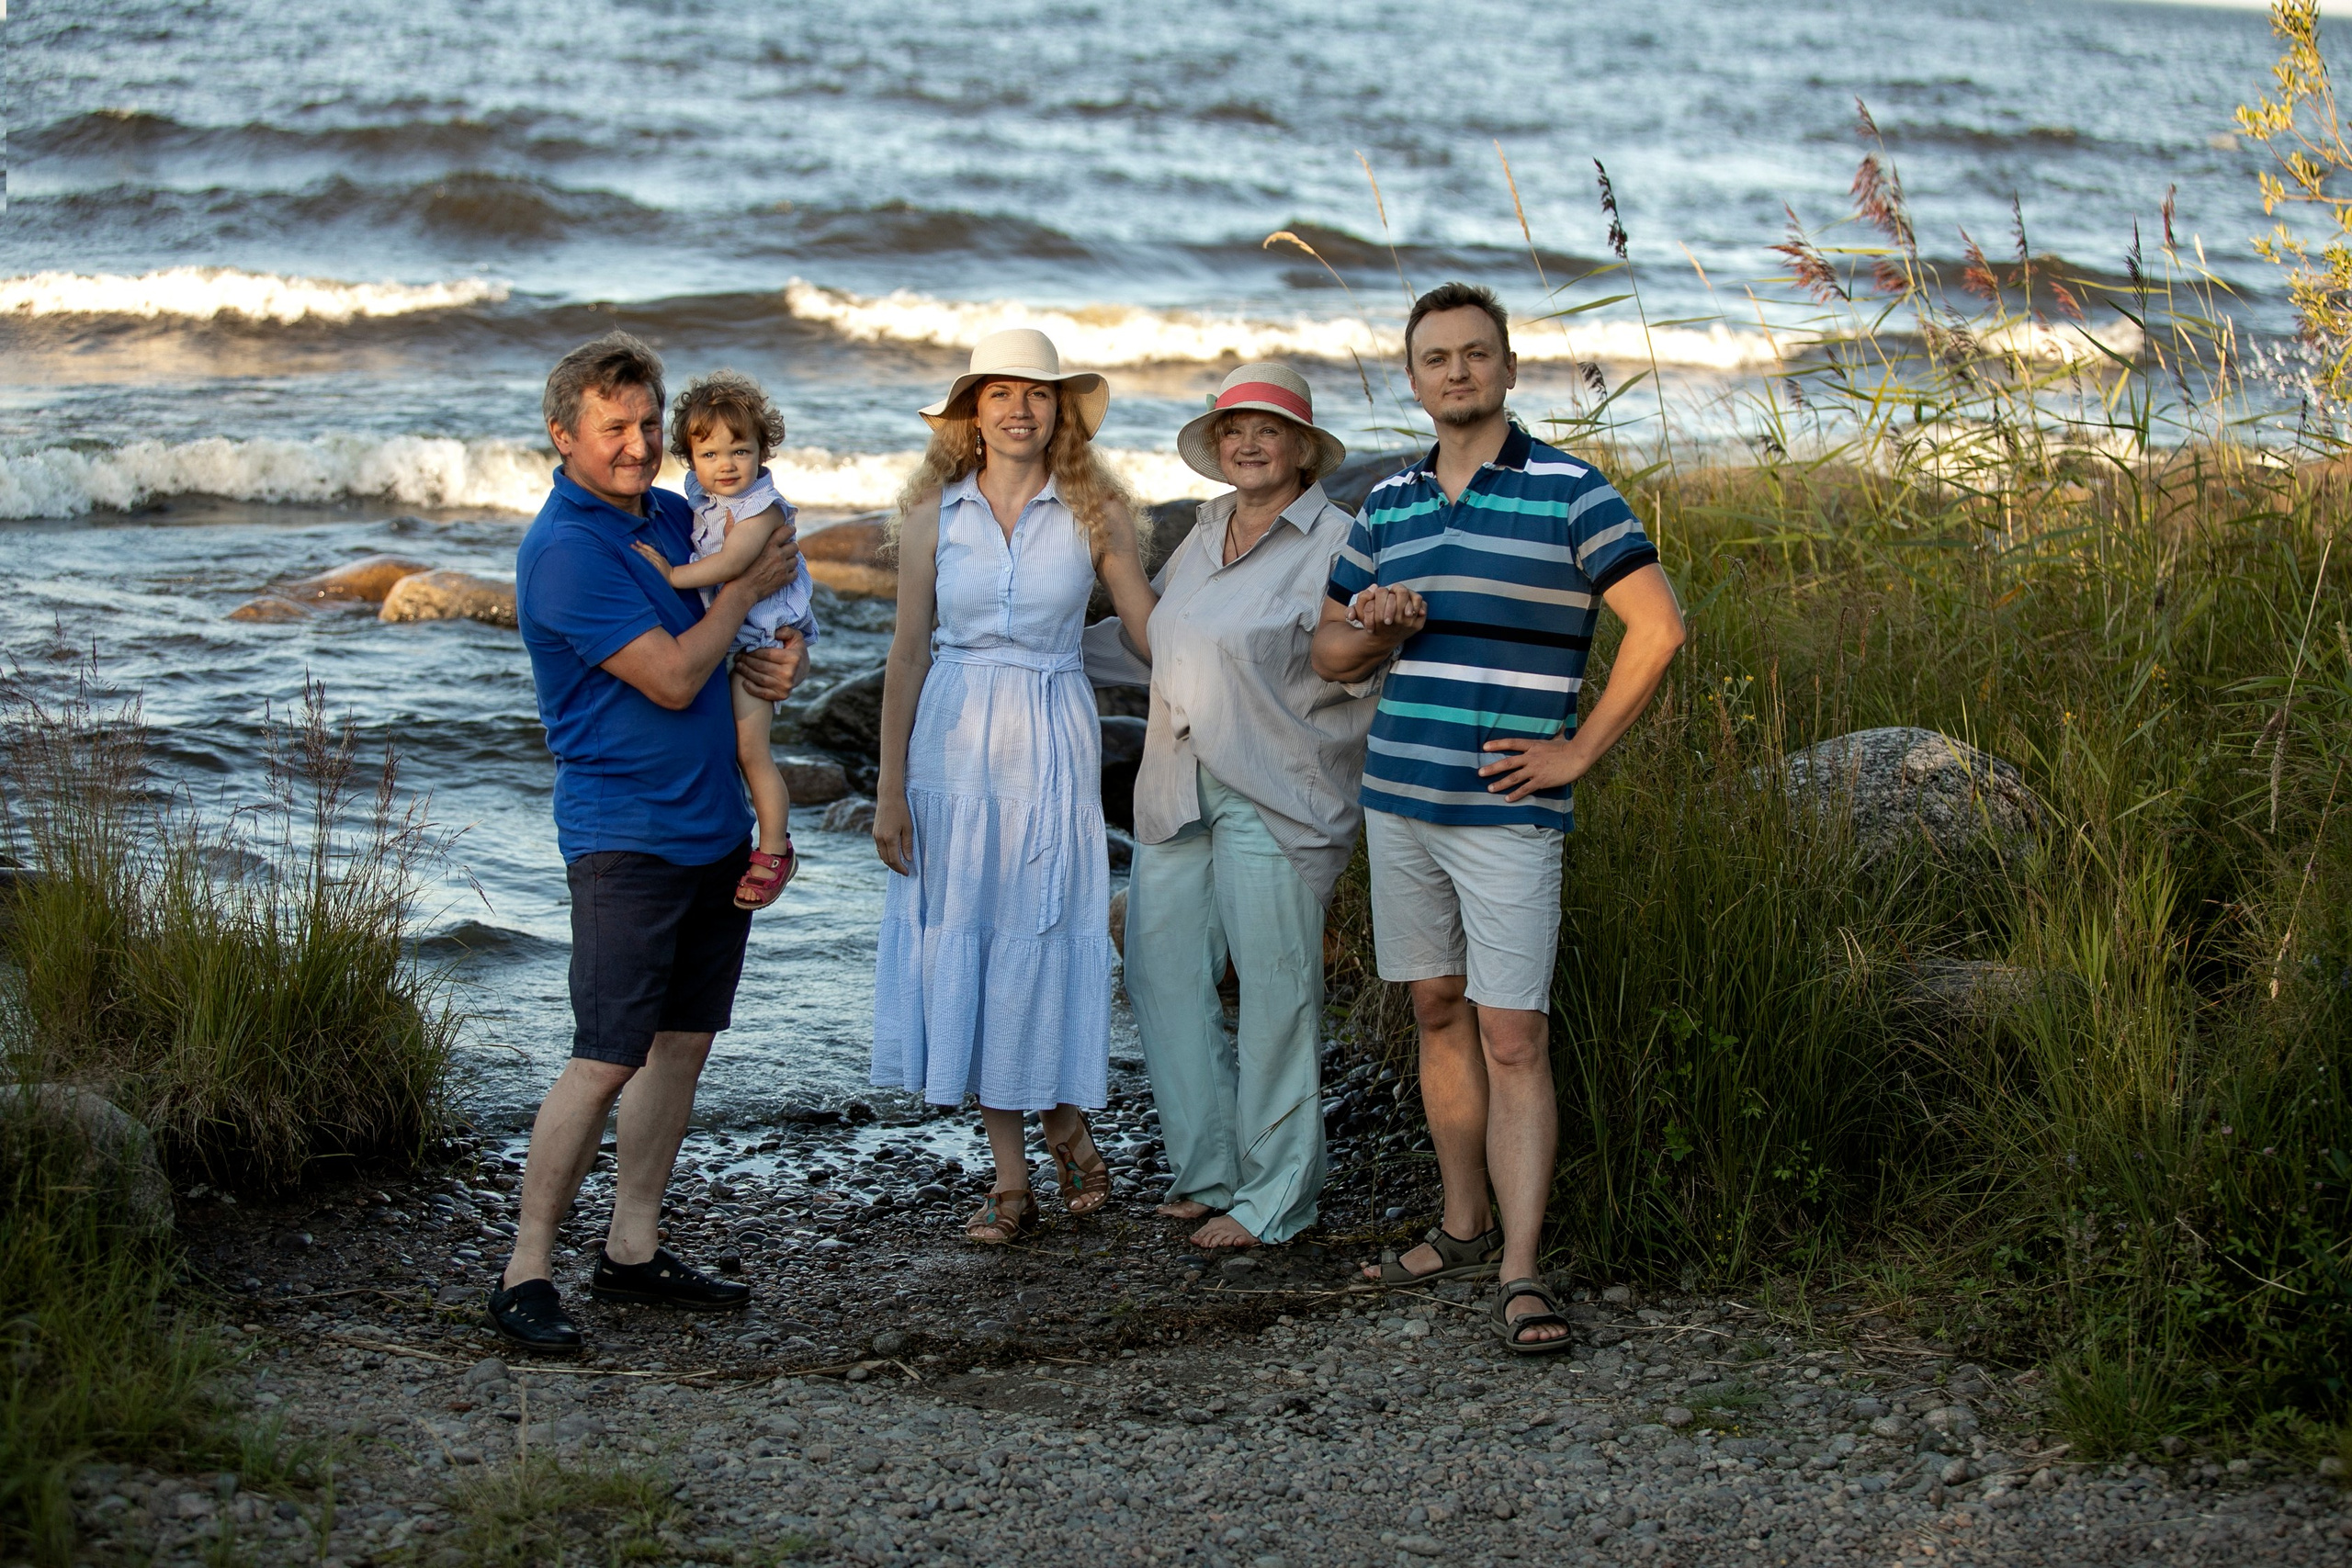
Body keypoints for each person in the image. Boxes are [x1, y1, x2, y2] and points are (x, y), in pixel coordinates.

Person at [1311, 283, 1686, 1354]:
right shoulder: (1387, 504)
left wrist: (1575, 751)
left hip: (1508, 810)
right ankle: (1463, 1223)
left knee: (1512, 1033)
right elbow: (1326, 650)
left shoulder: (1572, 491)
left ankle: (1522, 1270)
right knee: (1435, 1009)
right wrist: (1374, 624)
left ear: (1509, 368)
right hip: (1400, 801)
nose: (1457, 373)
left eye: (1476, 355)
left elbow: (1657, 629)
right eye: (1436, 359)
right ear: (1416, 378)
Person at [489, 331, 810, 1351]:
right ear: (563, 434)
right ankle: (524, 1269)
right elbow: (674, 675)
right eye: (610, 428)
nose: (633, 446)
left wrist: (783, 651)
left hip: (715, 824)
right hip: (623, 837)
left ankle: (631, 1249)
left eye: (642, 425)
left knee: (681, 1046)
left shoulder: (676, 515)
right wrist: (746, 596)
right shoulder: (564, 553)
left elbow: (768, 578)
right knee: (606, 1055)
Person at [869, 328, 1158, 1244]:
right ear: (971, 414)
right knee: (974, 939)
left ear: (1058, 412)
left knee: (1035, 929)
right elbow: (907, 651)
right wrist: (886, 787)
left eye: (1038, 393)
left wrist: (1244, 635)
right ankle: (1009, 1177)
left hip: (1050, 734)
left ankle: (1063, 1120)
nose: (1021, 408)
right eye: (1001, 393)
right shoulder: (932, 516)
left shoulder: (1094, 510)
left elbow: (1151, 633)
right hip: (950, 744)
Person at [1082, 361, 1376, 1251]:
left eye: (1268, 429)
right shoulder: (1207, 529)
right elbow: (1161, 637)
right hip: (1177, 784)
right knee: (1159, 969)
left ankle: (1279, 1195)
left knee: (1277, 992)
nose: (1248, 443)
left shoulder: (1337, 540)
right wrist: (1110, 556)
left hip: (1276, 789)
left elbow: (1358, 657)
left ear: (1301, 449)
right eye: (1233, 429)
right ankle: (1211, 1169)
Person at [629, 369, 820, 910]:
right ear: (690, 459)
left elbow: (734, 563)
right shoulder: (699, 496)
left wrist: (670, 575)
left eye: (741, 450)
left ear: (764, 451)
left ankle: (775, 849)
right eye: (710, 455)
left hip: (757, 642)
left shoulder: (759, 508)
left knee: (749, 749)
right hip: (736, 639)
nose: (727, 465)